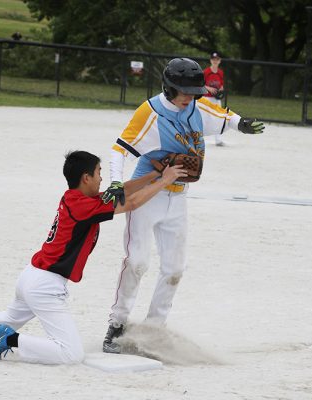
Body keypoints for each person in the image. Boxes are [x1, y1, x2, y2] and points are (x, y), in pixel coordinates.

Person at [0, 151, 186, 364]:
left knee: (6, 318)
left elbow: (124, 191)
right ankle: (11, 341)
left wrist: (155, 175)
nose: (102, 179)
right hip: (46, 286)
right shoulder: (85, 206)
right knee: (70, 354)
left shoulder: (77, 197)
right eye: (99, 174)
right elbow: (131, 203)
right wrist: (166, 181)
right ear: (86, 178)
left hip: (31, 277)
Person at [101, 57, 265, 354]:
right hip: (148, 195)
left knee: (174, 268)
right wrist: (115, 182)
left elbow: (225, 117)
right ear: (169, 87)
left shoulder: (198, 107)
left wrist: (243, 124)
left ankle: (154, 329)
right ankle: (117, 324)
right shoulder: (150, 113)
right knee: (137, 262)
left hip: (178, 198)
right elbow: (120, 149)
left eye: (194, 90)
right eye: (186, 90)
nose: (191, 96)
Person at [203, 52, 226, 146]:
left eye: (217, 59)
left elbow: (221, 85)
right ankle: (199, 139)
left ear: (220, 61)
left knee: (218, 118)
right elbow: (200, 84)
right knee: (204, 119)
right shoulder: (206, 72)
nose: (215, 61)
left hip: (216, 99)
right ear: (210, 60)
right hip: (207, 98)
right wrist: (208, 88)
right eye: (213, 59)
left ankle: (218, 139)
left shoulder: (220, 72)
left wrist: (221, 89)